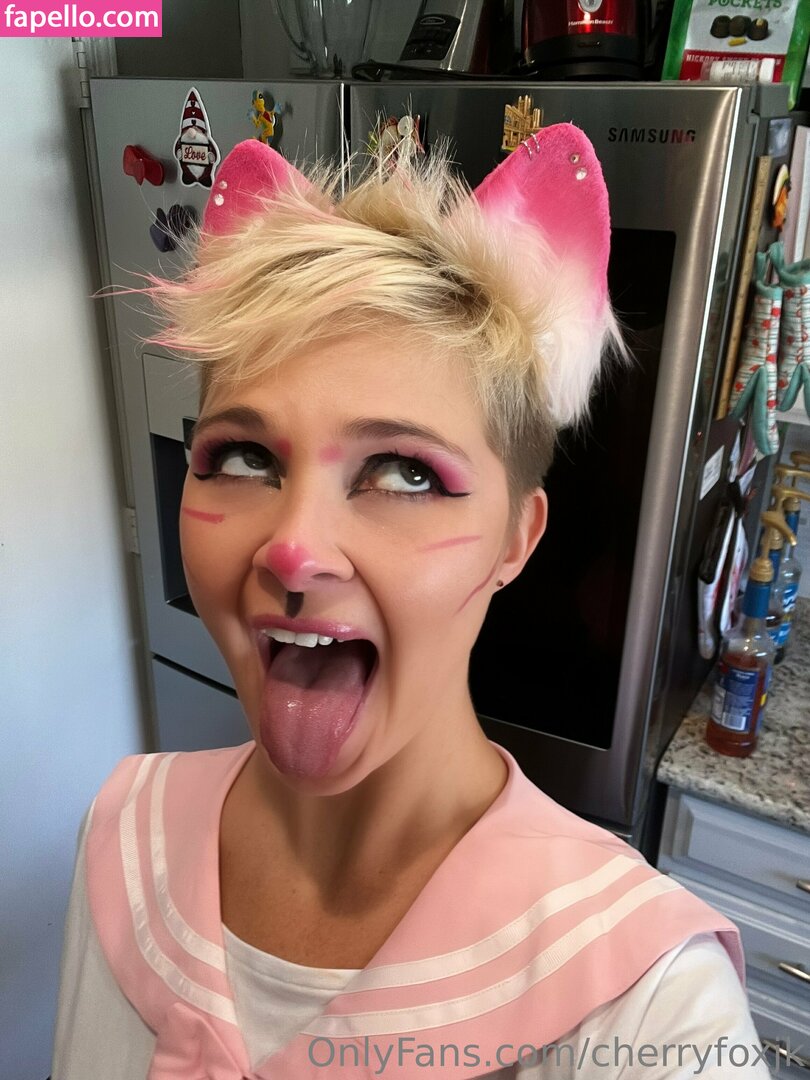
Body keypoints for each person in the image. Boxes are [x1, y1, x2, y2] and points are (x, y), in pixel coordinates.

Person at [52, 126, 771, 1079]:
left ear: (517, 538)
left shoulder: (654, 1005)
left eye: (403, 472)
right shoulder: (120, 836)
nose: (293, 546)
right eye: (244, 457)